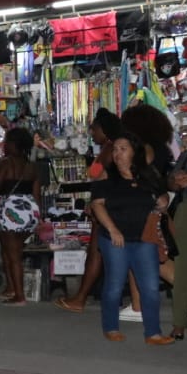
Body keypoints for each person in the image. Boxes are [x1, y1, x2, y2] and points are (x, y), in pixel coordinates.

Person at [88, 131, 174, 345]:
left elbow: (163, 196)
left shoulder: (148, 175)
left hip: (144, 238)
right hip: (114, 238)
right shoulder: (107, 176)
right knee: (115, 284)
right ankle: (110, 325)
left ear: (134, 153)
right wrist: (113, 229)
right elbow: (97, 205)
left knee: (151, 286)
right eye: (115, 149)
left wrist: (163, 202)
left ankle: (153, 333)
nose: (117, 153)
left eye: (123, 149)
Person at [53, 107, 124, 314]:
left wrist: (97, 204)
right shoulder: (111, 148)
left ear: (104, 129)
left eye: (94, 129)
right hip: (107, 205)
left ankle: (80, 298)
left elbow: (105, 179)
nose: (92, 133)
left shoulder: (111, 149)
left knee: (96, 253)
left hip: (106, 206)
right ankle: (90, 297)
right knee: (103, 254)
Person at [0, 127, 41, 306]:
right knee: (9, 250)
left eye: (7, 142)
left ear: (14, 145)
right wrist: (39, 218)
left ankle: (20, 295)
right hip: (29, 210)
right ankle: (11, 288)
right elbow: (37, 194)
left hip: (10, 211)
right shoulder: (32, 167)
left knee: (13, 254)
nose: (5, 145)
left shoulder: (6, 164)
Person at [168, 143, 187, 339]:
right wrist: (177, 181)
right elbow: (171, 183)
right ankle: (179, 322)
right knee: (182, 267)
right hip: (186, 209)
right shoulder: (186, 155)